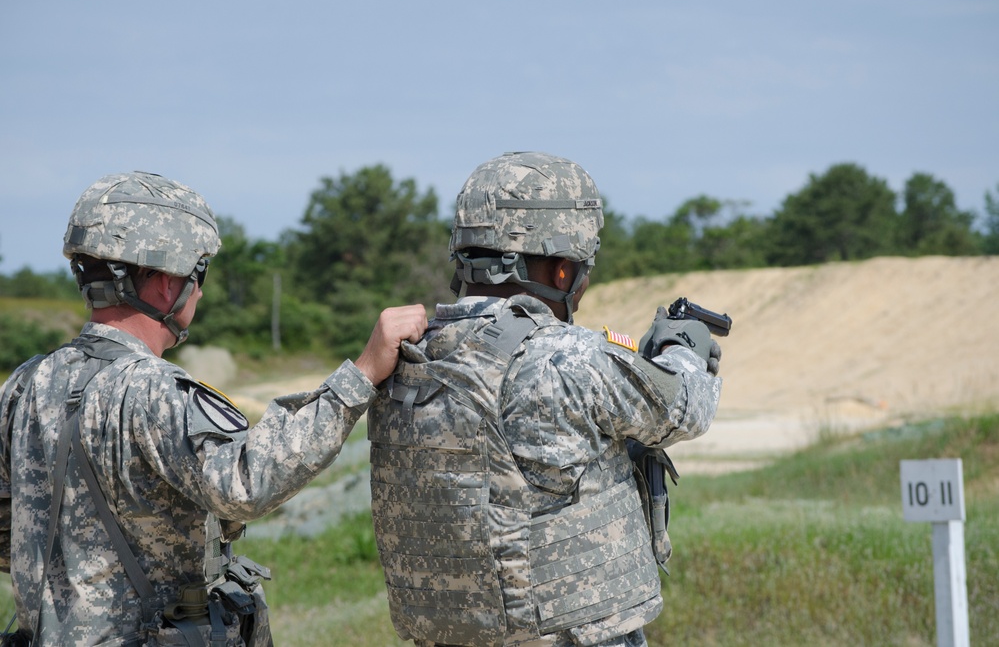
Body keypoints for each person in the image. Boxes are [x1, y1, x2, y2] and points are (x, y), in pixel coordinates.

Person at [0, 171, 427, 646]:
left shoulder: (24, 384)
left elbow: (7, 531)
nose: (198, 291)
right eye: (196, 275)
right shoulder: (155, 391)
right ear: (164, 283)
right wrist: (363, 374)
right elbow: (247, 483)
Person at [367, 151, 723, 647]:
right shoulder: (571, 357)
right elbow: (688, 408)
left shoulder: (397, 358)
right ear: (561, 272)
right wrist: (681, 349)